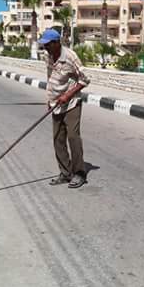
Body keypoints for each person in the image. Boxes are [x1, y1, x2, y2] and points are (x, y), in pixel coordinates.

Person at [39, 29, 91, 189]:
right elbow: (51, 77)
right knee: (57, 139)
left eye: (48, 45)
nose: (45, 48)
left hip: (71, 103)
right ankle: (65, 173)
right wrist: (50, 98)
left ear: (57, 43)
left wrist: (67, 95)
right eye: (44, 45)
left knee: (73, 137)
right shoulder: (48, 55)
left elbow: (85, 79)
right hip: (56, 103)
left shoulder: (70, 56)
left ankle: (79, 173)